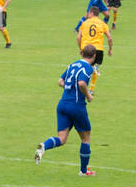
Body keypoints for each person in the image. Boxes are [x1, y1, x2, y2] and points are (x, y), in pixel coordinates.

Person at [34, 44, 97, 176]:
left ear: (81, 53)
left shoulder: (72, 65)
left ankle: (44, 146)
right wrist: (88, 95)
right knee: (85, 138)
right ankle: (83, 171)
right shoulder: (88, 68)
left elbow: (60, 81)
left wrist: (70, 88)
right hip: (76, 106)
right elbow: (81, 83)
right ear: (94, 56)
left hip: (62, 105)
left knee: (61, 139)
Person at [76, 5, 112, 94]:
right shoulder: (103, 23)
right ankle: (91, 89)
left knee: (84, 67)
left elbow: (78, 37)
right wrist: (110, 49)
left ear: (91, 13)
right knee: (94, 67)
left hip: (86, 48)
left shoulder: (84, 23)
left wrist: (81, 48)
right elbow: (109, 38)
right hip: (98, 49)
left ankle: (82, 85)